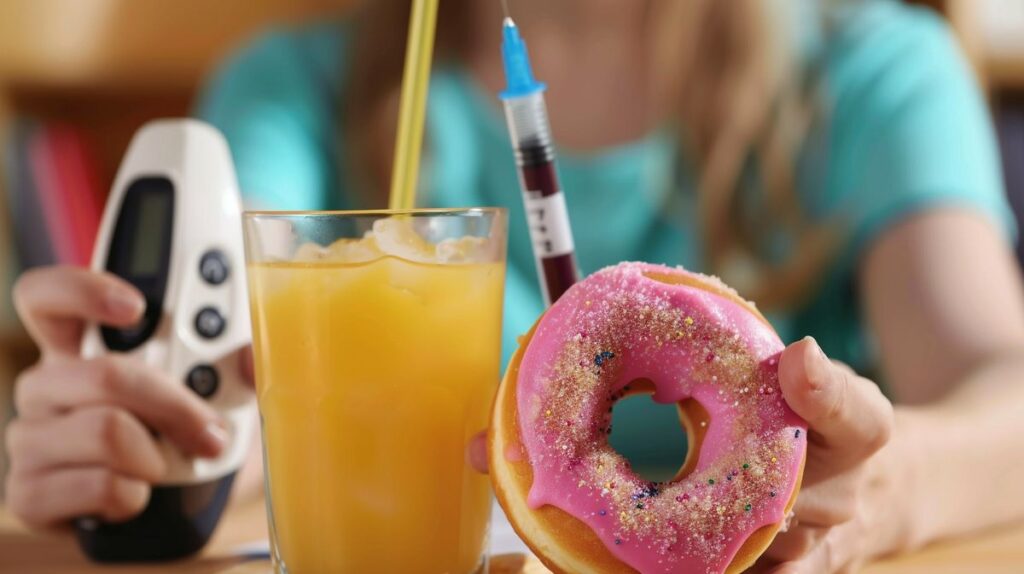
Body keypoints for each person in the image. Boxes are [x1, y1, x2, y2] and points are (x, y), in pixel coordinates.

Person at [7, 0, 1024, 571]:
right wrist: (158, 435)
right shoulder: (293, 91)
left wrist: (875, 492)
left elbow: (1006, 392)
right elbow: (256, 371)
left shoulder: (878, 76)